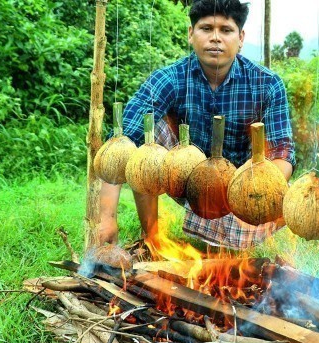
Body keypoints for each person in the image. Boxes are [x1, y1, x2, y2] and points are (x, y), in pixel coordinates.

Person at [99, 0, 295, 251]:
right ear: (191, 34)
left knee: (239, 250)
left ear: (241, 37)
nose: (215, 38)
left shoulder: (267, 84)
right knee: (150, 134)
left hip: (242, 190)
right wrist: (106, 219)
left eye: (226, 30)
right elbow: (123, 143)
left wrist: (254, 193)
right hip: (188, 182)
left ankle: (235, 238)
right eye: (206, 28)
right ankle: (153, 240)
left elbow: (282, 153)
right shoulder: (169, 79)